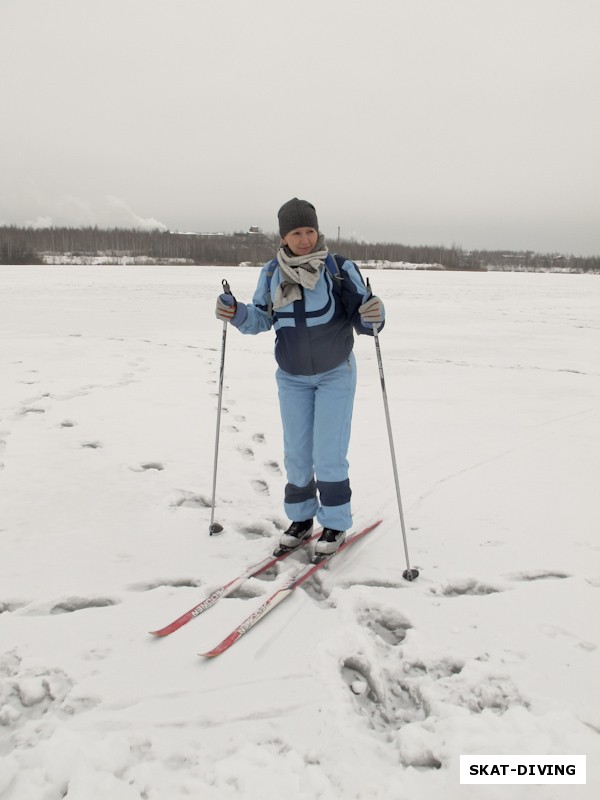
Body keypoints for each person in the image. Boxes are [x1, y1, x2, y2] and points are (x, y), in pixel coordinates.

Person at [215, 198, 384, 555]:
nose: (304, 239)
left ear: (317, 231)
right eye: (296, 232)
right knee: (297, 453)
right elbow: (261, 318)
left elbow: (363, 318)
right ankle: (302, 518)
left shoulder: (338, 269)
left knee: (328, 453)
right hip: (292, 376)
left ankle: (335, 524)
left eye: (309, 231)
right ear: (284, 237)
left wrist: (374, 316)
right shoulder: (272, 273)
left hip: (335, 372)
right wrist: (235, 312)